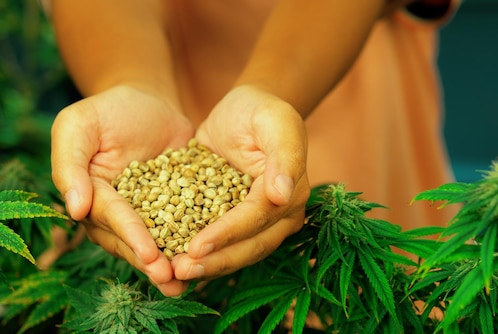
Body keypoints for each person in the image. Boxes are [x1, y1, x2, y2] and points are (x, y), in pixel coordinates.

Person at [47, 0, 460, 299]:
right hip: (165, 308)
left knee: (383, 318)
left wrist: (270, 89)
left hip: (357, 131)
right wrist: (131, 83)